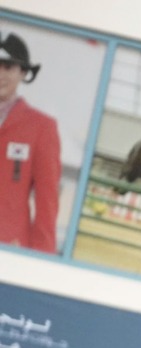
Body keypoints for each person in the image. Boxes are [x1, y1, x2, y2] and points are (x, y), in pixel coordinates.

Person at [0, 31, 61, 254]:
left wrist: (41, 256)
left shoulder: (42, 128)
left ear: (23, 72)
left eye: (8, 67)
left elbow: (47, 200)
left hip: (9, 248)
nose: (1, 75)